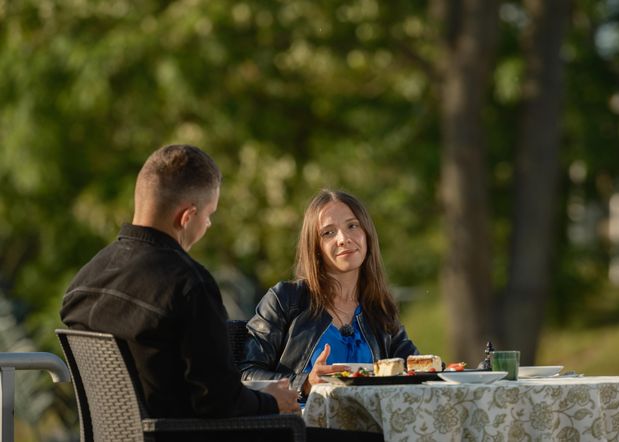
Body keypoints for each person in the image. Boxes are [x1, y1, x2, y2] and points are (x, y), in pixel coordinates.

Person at [60, 145, 299, 426]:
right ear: (186, 217)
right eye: (209, 215)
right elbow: (218, 403)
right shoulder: (188, 285)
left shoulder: (84, 282)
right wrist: (271, 400)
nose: (208, 224)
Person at [240, 189, 418, 400]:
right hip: (304, 427)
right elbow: (245, 375)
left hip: (371, 426)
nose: (343, 239)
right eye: (328, 233)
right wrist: (304, 384)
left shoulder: (379, 308)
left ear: (367, 234)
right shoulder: (286, 299)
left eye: (352, 226)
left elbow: (417, 370)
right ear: (315, 247)